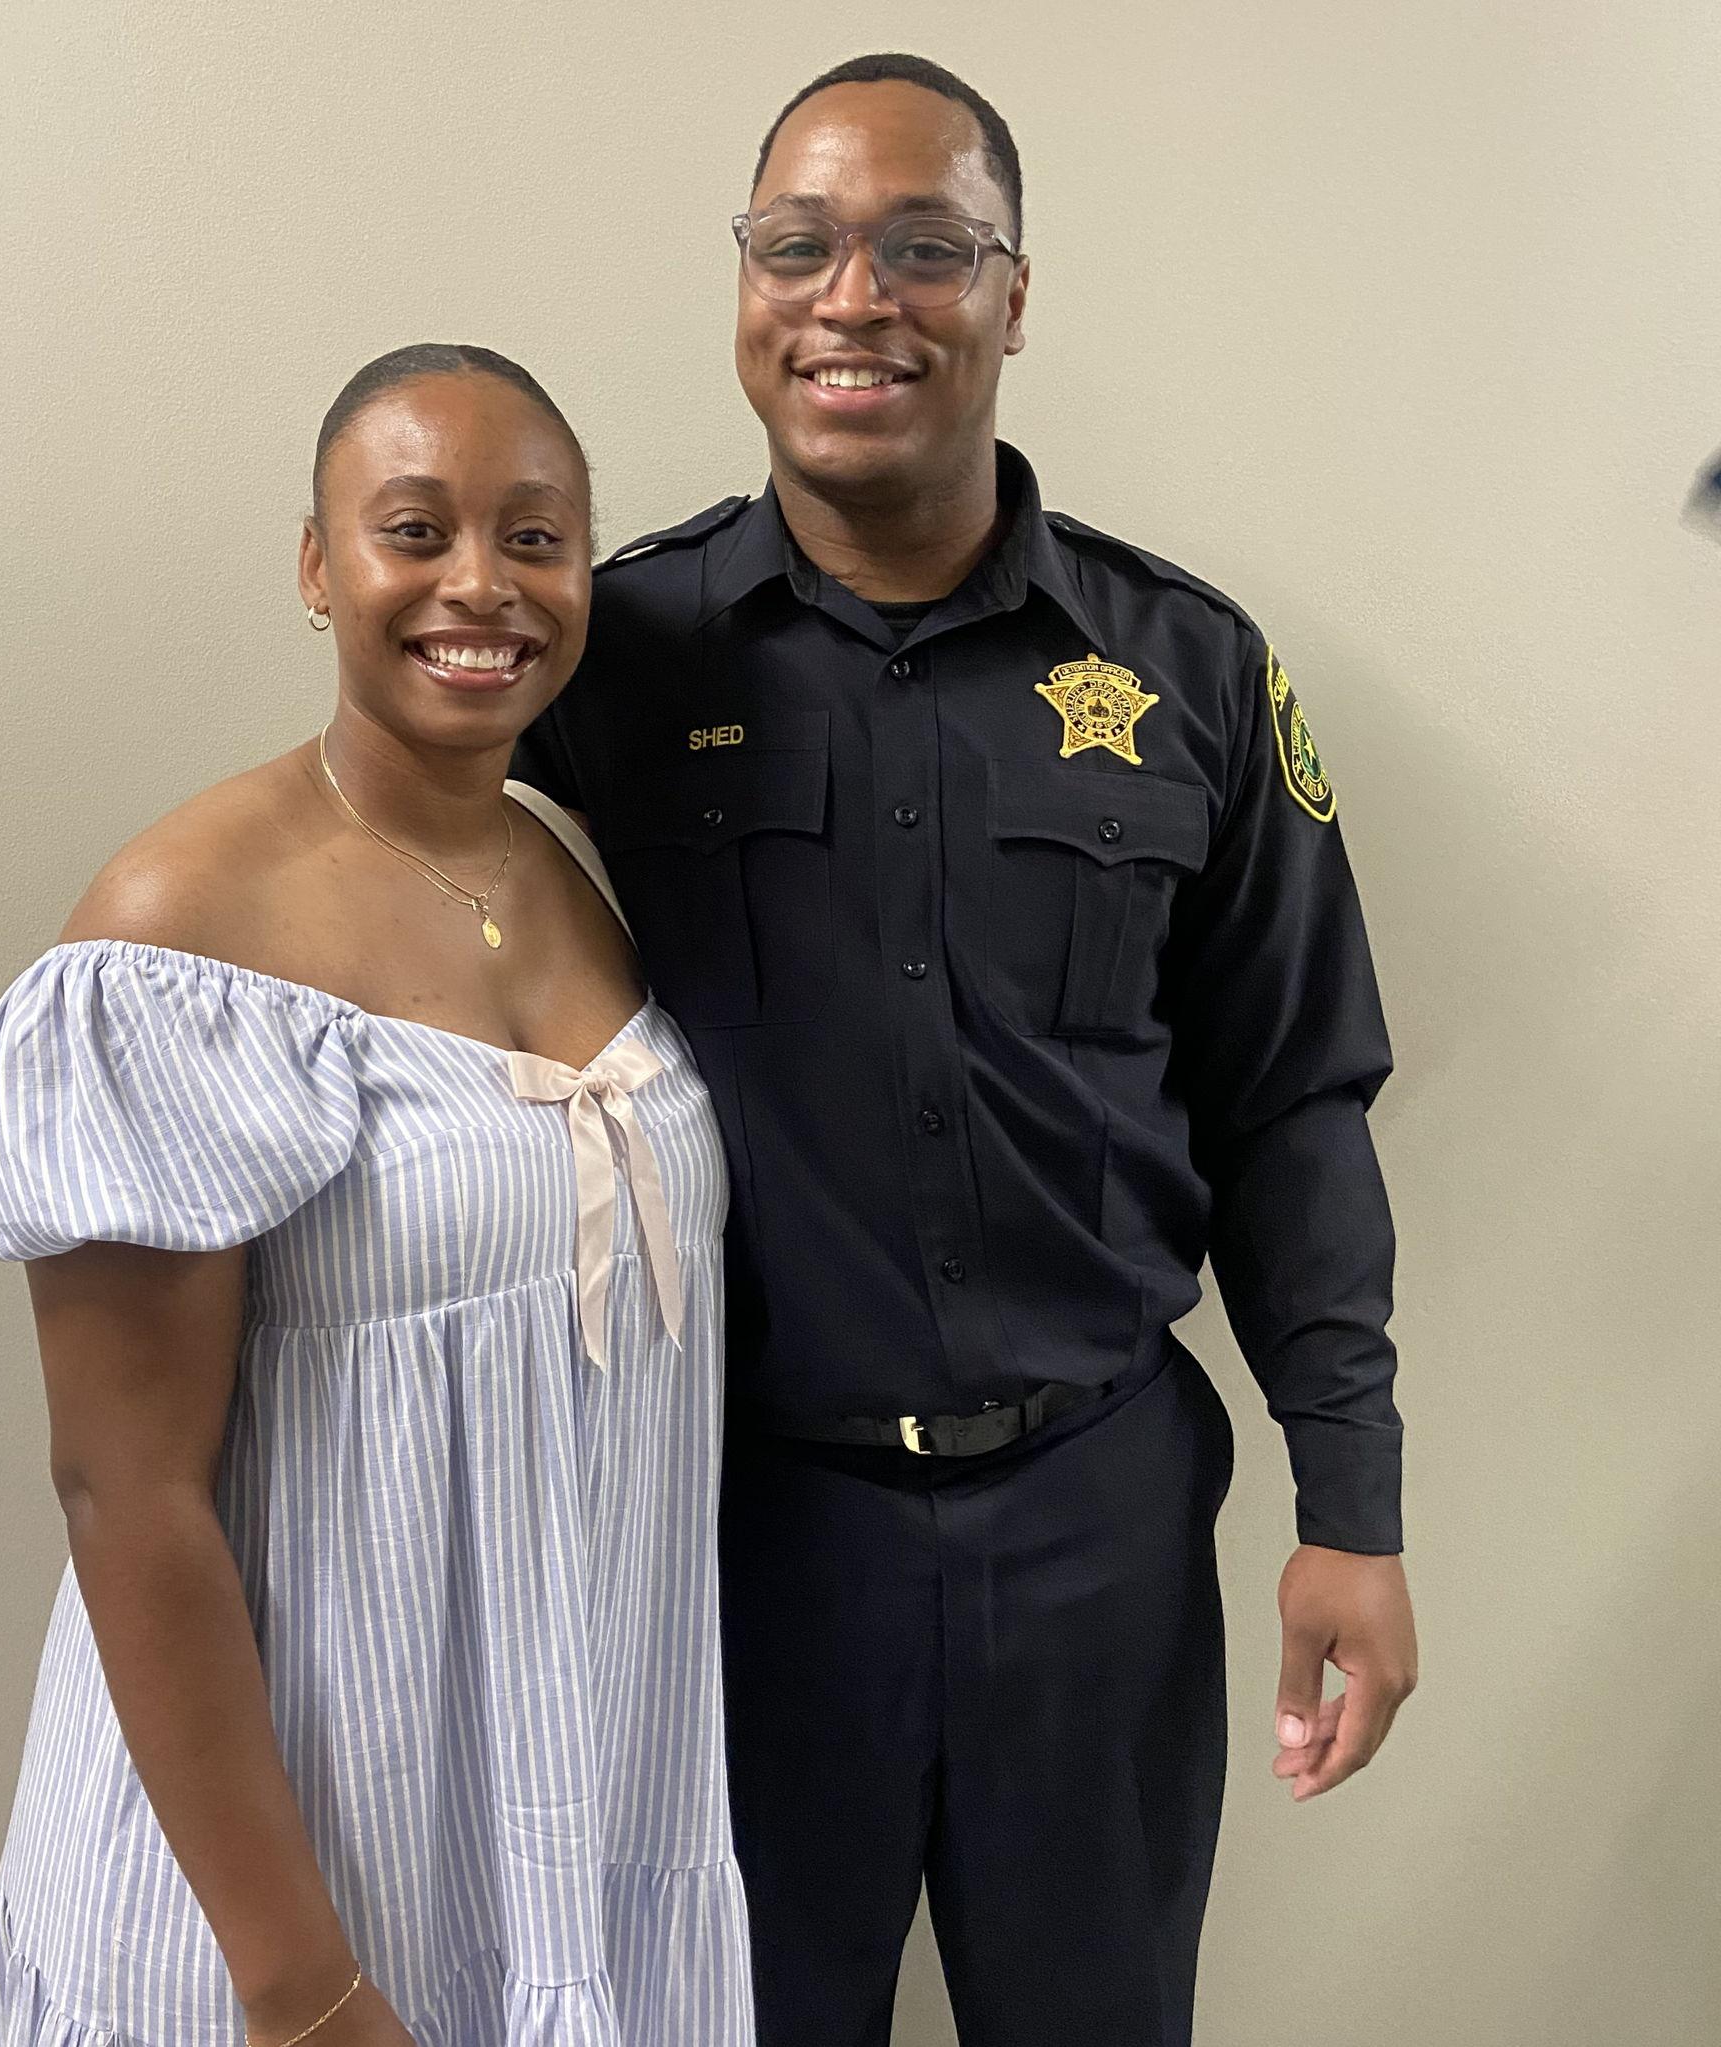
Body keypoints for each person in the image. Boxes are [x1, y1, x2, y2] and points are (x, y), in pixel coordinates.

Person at [512, 53, 1419, 2047]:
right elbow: (403, 890)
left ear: (1015, 295)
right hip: (736, 1544)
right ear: (743, 287)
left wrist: (1348, 1504)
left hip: (1095, 1529)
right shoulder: (612, 657)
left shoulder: (1187, 670)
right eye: (799, 245)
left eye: (928, 247)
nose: (856, 298)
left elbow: (1291, 1106)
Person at [0, 344, 755, 2047]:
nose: (482, 584)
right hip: (293, 1877)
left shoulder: (571, 869)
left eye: (536, 537)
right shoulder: (177, 933)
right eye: (415, 529)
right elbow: (124, 1491)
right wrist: (302, 1990)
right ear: (320, 567)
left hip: (559, 1816)